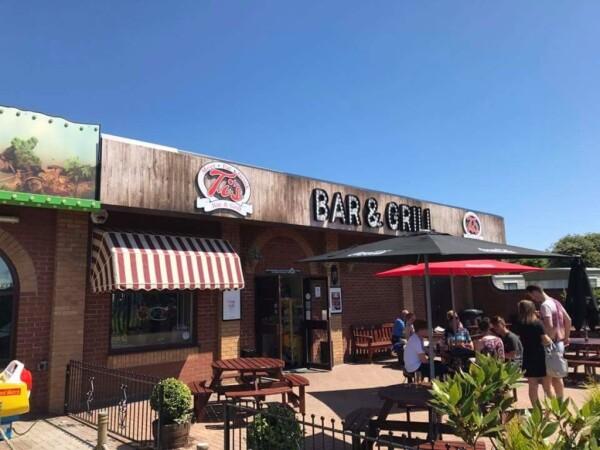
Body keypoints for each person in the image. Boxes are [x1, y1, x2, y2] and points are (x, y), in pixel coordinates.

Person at [526, 285, 572, 399]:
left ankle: (552, 405)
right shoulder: (556, 302)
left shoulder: (545, 305)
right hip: (560, 343)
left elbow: (549, 325)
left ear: (536, 292)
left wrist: (547, 341)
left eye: (531, 295)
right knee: (557, 376)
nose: (533, 299)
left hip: (551, 345)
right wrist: (566, 337)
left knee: (547, 380)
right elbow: (568, 320)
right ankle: (560, 403)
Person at [516, 299, 553, 406]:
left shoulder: (519, 324)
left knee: (532, 386)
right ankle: (555, 409)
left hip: (528, 356)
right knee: (547, 387)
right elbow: (546, 340)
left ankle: (537, 410)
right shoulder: (537, 323)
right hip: (541, 357)